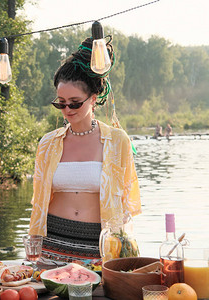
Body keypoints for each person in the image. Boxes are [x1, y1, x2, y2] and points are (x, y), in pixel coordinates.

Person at [28, 37, 141, 269]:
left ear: (93, 98)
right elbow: (37, 202)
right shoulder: (48, 144)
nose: (67, 109)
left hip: (100, 247)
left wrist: (123, 252)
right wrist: (34, 247)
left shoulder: (117, 141)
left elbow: (127, 205)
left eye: (75, 103)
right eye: (61, 103)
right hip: (53, 245)